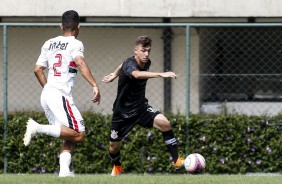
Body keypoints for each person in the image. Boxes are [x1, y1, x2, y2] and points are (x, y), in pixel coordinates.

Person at [23, 10, 101, 177]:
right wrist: (95, 85)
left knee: (69, 134)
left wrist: (48, 89)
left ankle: (64, 171)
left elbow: (37, 69)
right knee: (79, 134)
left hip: (48, 93)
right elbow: (79, 62)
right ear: (78, 26)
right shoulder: (76, 43)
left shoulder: (48, 43)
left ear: (61, 26)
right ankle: (37, 128)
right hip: (59, 94)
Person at [102, 35, 184, 176]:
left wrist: (114, 74)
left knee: (165, 123)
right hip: (122, 113)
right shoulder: (130, 64)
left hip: (141, 108)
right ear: (136, 51)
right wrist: (161, 74)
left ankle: (176, 160)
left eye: (148, 51)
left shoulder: (146, 62)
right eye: (143, 50)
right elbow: (136, 74)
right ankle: (117, 166)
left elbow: (121, 66)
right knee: (113, 147)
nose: (146, 54)